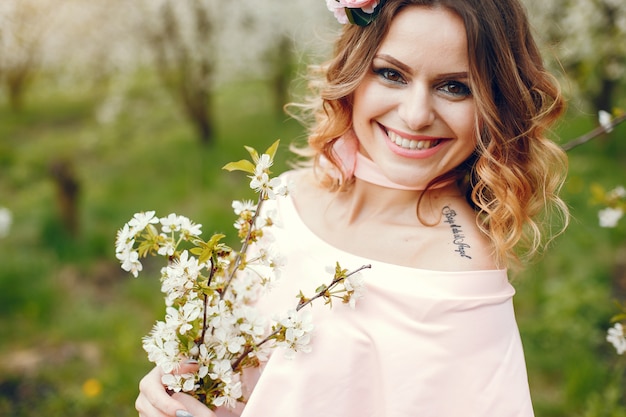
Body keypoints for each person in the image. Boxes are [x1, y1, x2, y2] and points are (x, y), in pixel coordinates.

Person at [135, 0, 569, 416]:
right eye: (392, 74)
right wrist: (177, 390)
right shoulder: (284, 200)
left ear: (493, 104)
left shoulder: (455, 279)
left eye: (455, 87)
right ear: (355, 73)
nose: (416, 115)